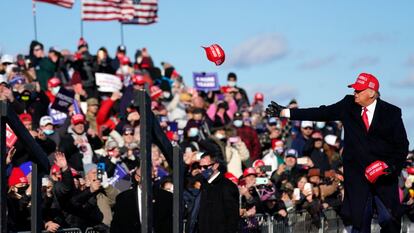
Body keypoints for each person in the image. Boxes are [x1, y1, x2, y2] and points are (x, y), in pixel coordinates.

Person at [266, 72, 410, 233]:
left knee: (389, 220)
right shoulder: (348, 104)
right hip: (357, 179)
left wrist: (390, 166)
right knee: (360, 224)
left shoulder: (391, 112)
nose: (354, 93)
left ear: (371, 93)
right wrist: (285, 112)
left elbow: (402, 145)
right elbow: (322, 112)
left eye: (359, 90)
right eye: (354, 89)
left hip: (384, 177)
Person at [198, 153, 239, 233]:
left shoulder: (228, 186)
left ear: (216, 165)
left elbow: (232, 218)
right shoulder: (203, 184)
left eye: (205, 167)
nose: (202, 170)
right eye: (200, 167)